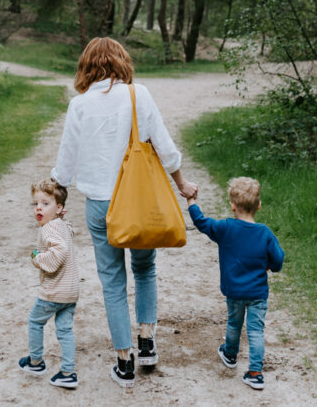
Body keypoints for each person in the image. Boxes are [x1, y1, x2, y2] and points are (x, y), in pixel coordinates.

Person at [51, 36, 197, 388]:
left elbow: (64, 167)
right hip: (139, 201)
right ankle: (147, 342)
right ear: (121, 62)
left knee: (113, 282)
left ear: (87, 66)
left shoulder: (80, 105)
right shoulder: (138, 95)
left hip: (100, 205)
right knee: (145, 269)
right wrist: (181, 185)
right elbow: (165, 147)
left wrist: (56, 200)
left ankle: (124, 362)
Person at [187, 176, 285, 391]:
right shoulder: (265, 233)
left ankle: (230, 355)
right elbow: (278, 261)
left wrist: (191, 202)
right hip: (258, 293)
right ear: (258, 206)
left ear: (232, 206)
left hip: (234, 292)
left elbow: (202, 223)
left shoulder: (225, 228)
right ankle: (255, 373)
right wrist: (269, 265)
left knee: (234, 324)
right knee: (256, 331)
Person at [18, 179, 80, 389]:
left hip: (53, 292)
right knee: (64, 330)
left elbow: (58, 254)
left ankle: (36, 362)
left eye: (46, 204)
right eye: (36, 204)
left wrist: (37, 258)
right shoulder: (61, 225)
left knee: (35, 321)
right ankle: (68, 373)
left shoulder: (49, 229)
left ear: (59, 208)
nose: (38, 208)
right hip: (70, 292)